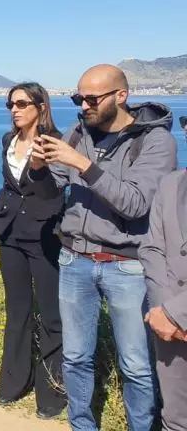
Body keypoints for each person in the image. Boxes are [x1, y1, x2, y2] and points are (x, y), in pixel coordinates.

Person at [30, 64, 177, 431]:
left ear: (120, 96)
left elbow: (136, 204)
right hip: (75, 259)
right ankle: (81, 424)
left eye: (92, 99)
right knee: (76, 357)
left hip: (127, 265)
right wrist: (38, 168)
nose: (84, 106)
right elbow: (52, 189)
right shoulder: (80, 131)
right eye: (78, 98)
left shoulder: (156, 142)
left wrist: (83, 164)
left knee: (136, 365)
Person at [0, 83, 66, 419]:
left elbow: (55, 191)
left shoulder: (56, 142)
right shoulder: (8, 140)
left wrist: (40, 167)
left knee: (51, 314)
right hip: (9, 234)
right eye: (10, 104)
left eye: (21, 103)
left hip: (45, 235)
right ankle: (13, 382)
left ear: (41, 106)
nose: (14, 109)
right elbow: (11, 186)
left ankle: (52, 392)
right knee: (17, 309)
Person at [140, 131, 187, 431]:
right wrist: (164, 313)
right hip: (170, 331)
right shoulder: (170, 184)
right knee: (175, 418)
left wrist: (176, 312)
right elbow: (151, 249)